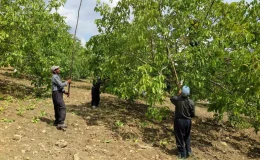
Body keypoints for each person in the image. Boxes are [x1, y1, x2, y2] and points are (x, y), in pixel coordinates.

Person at [170, 86, 195, 159]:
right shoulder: (191, 102)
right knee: (187, 136)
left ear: (182, 93)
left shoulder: (177, 100)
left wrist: (178, 94)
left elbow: (171, 98)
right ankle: (188, 151)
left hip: (179, 121)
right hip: (188, 121)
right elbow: (193, 114)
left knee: (179, 137)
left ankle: (182, 153)